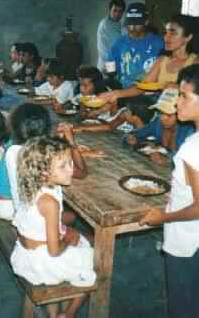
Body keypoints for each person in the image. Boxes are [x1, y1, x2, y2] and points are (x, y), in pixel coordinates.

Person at [10, 136, 96, 318]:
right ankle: (67, 314)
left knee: (80, 240)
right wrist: (67, 238)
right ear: (43, 173)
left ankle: (53, 310)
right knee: (97, 264)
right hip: (41, 262)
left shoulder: (33, 186)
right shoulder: (49, 202)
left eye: (70, 162)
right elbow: (54, 251)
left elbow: (31, 223)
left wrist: (63, 230)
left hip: (25, 253)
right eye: (63, 166)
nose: (71, 169)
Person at [139, 64, 199, 318]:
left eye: (184, 96)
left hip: (187, 240)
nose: (177, 103)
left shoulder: (192, 148)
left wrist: (160, 218)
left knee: (183, 305)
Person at [5, 103, 87, 217]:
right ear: (47, 127)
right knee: (72, 217)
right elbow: (82, 173)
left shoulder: (11, 150)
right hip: (36, 217)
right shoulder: (44, 155)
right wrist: (71, 141)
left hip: (21, 209)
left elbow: (33, 144)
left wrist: (55, 140)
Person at [101, 14, 199, 103]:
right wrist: (115, 93)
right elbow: (142, 87)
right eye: (166, 32)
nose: (166, 37)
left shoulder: (195, 62)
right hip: (161, 110)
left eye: (172, 33)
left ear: (188, 37)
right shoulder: (162, 60)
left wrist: (179, 88)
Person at [99, 2, 164, 104]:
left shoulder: (158, 43)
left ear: (146, 22)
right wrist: (108, 70)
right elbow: (110, 68)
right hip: (124, 91)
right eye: (130, 23)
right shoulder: (120, 42)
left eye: (136, 24)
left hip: (148, 96)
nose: (132, 27)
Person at [126, 88, 194, 166]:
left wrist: (169, 160)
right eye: (160, 112)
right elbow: (136, 133)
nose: (162, 118)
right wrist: (131, 137)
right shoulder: (158, 123)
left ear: (180, 112)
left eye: (168, 115)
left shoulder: (189, 132)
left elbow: (190, 161)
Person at [74, 95, 154, 134]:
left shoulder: (148, 132)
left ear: (135, 118)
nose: (125, 111)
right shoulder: (125, 115)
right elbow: (110, 126)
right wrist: (83, 128)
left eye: (128, 110)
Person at [97, 0, 126, 72]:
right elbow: (106, 50)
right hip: (108, 66)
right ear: (110, 10)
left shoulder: (118, 24)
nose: (117, 14)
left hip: (114, 64)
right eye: (115, 10)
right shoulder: (106, 24)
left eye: (120, 11)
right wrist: (110, 68)